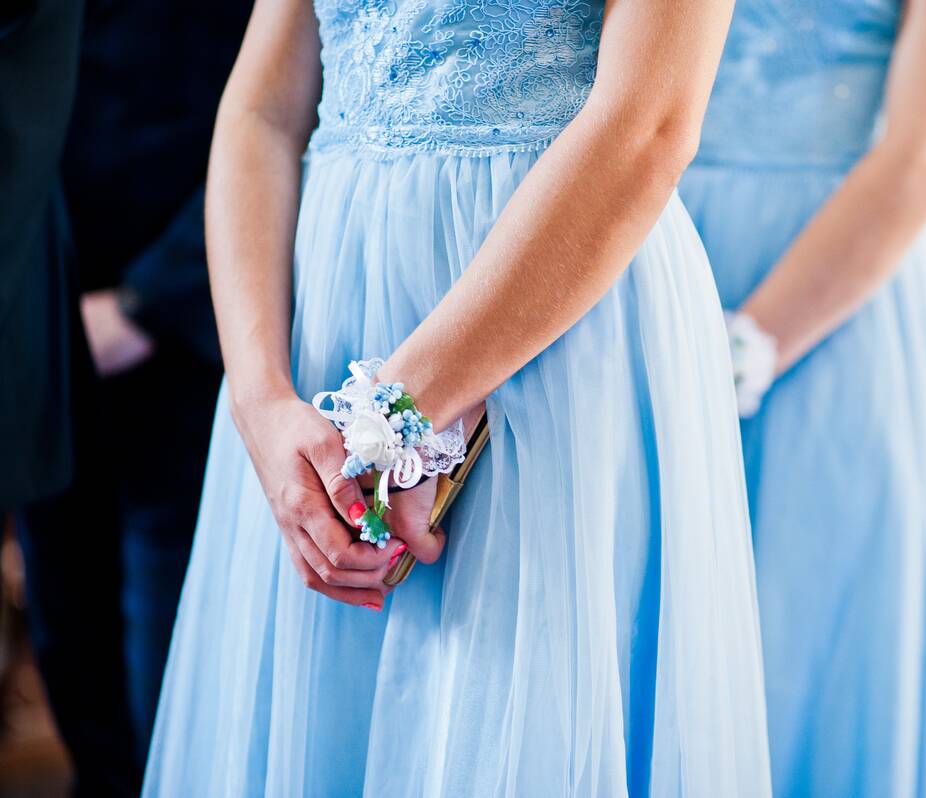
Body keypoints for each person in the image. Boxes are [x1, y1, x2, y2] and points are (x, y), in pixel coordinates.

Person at [144, 1, 771, 795]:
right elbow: (261, 111)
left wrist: (393, 416)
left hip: (550, 325)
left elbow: (646, 125)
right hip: (315, 343)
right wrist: (260, 398)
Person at [677, 1, 926, 794]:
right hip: (662, 239)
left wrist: (747, 346)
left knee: (813, 623)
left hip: (842, 291)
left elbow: (925, 157)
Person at [52, 0, 251, 759]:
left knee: (172, 676)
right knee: (69, 641)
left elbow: (272, 119)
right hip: (48, 353)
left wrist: (147, 304)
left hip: (191, 346)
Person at [0, 0, 142, 794]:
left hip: (172, 350)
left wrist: (150, 303)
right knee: (75, 661)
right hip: (41, 347)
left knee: (139, 704)